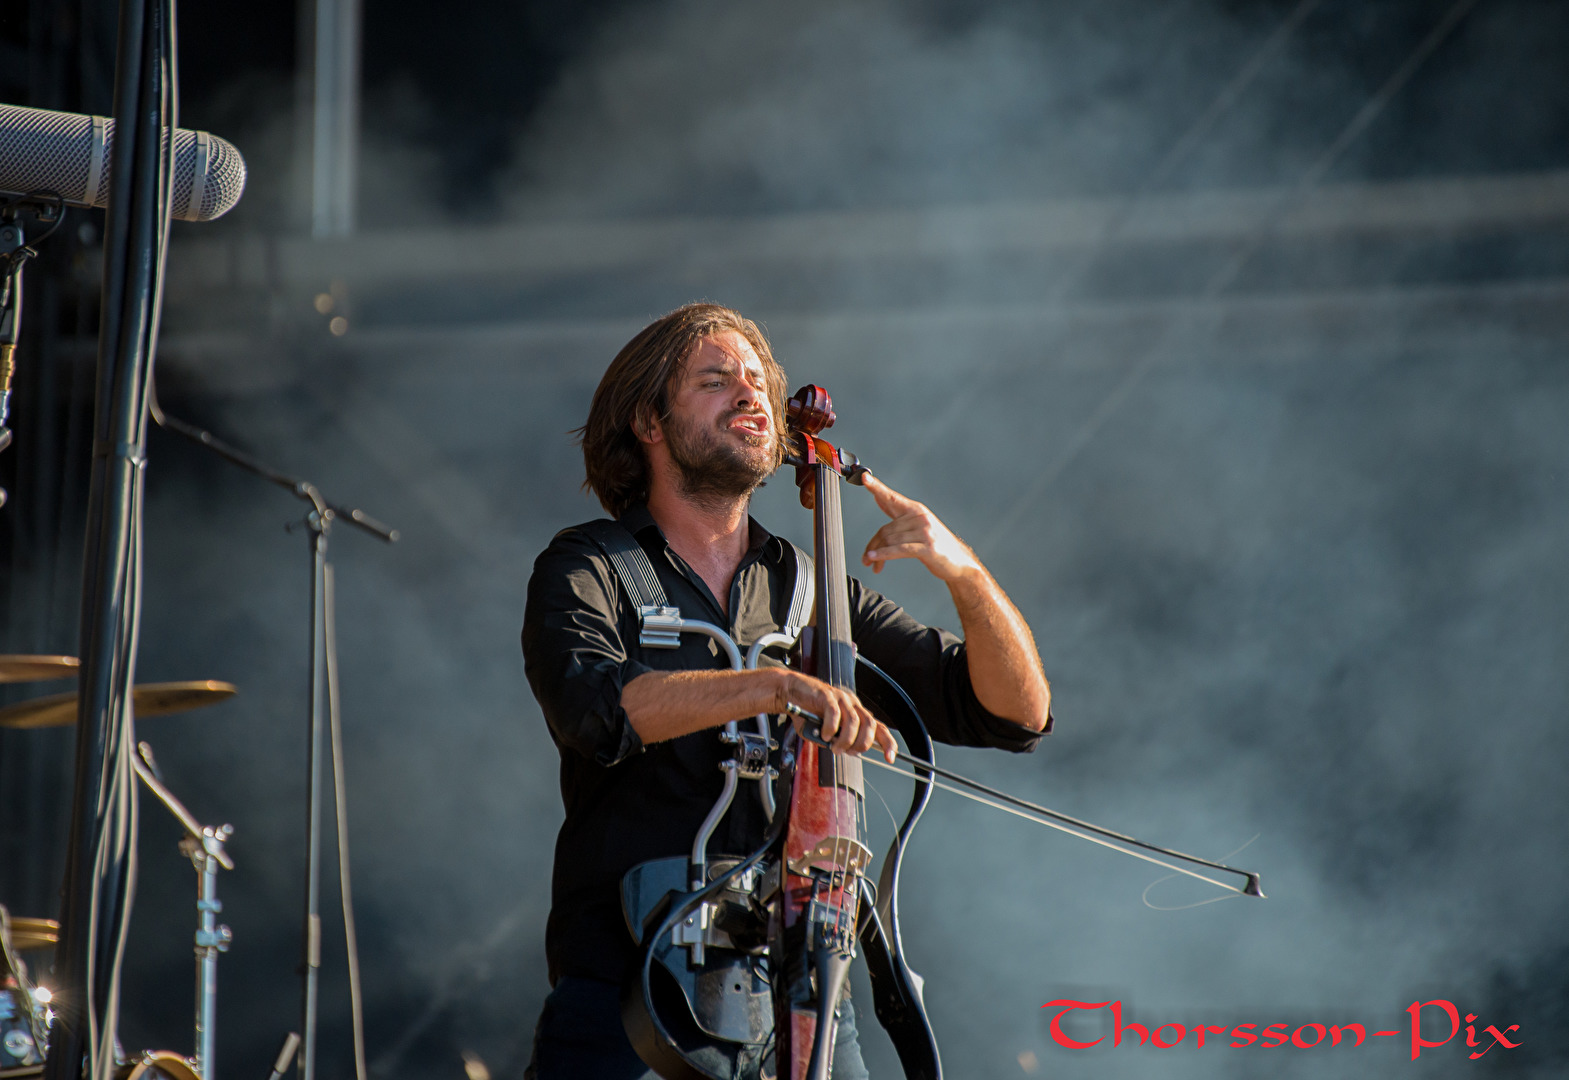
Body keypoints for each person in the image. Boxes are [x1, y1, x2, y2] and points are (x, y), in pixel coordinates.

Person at [521, 302, 1052, 1078]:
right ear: (649, 421)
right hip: (630, 1004)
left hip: (804, 994)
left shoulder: (811, 592)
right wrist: (769, 687)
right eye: (714, 381)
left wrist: (961, 568)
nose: (749, 396)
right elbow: (594, 710)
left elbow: (1013, 713)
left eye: (756, 383)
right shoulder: (589, 567)